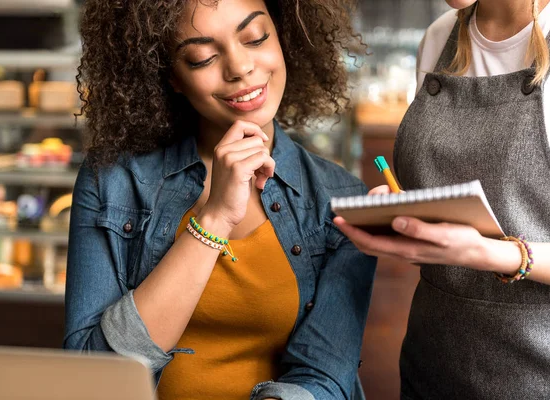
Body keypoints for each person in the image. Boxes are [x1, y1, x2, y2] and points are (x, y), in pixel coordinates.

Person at [63, 1, 377, 399]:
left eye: (255, 37)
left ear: (284, 36)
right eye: (202, 57)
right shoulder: (113, 182)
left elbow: (324, 380)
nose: (240, 68)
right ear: (171, 75)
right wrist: (213, 221)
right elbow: (92, 379)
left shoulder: (340, 199)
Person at [334, 0, 550, 398]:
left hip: (538, 375)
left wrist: (493, 254)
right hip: (432, 362)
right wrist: (405, 216)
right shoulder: (440, 37)